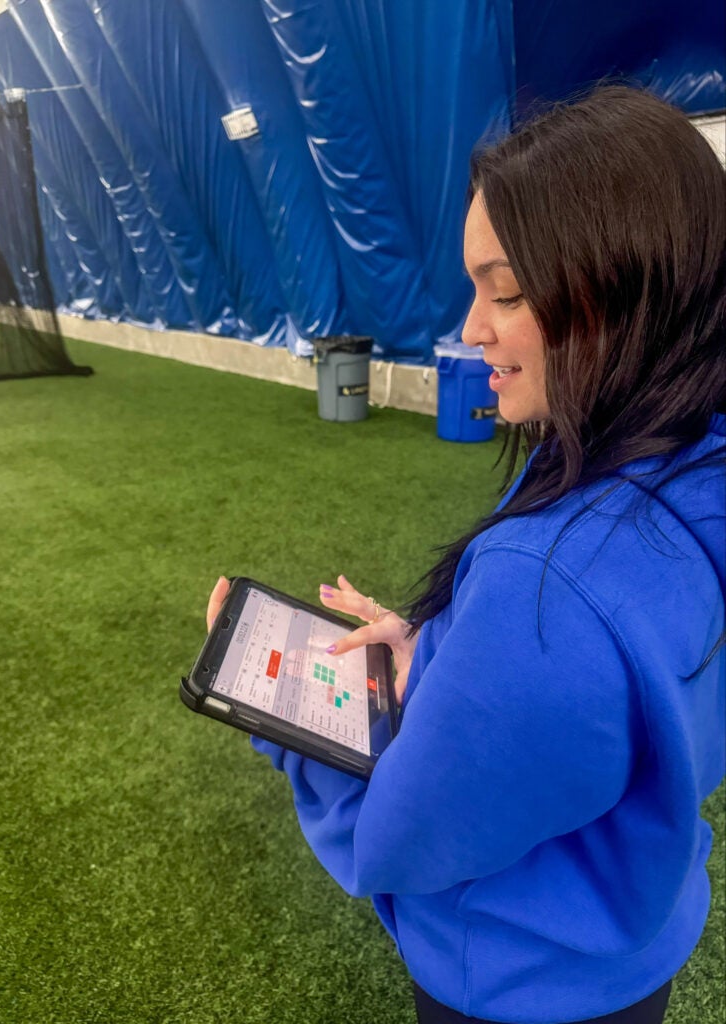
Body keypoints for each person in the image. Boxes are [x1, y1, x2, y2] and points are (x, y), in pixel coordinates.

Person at [206, 85, 725, 1024]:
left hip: (519, 989)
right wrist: (437, 657)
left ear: (624, 285)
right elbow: (625, 698)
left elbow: (401, 836)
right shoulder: (689, 464)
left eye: (509, 290)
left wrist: (286, 722)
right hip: (632, 947)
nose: (473, 326)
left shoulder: (552, 593)